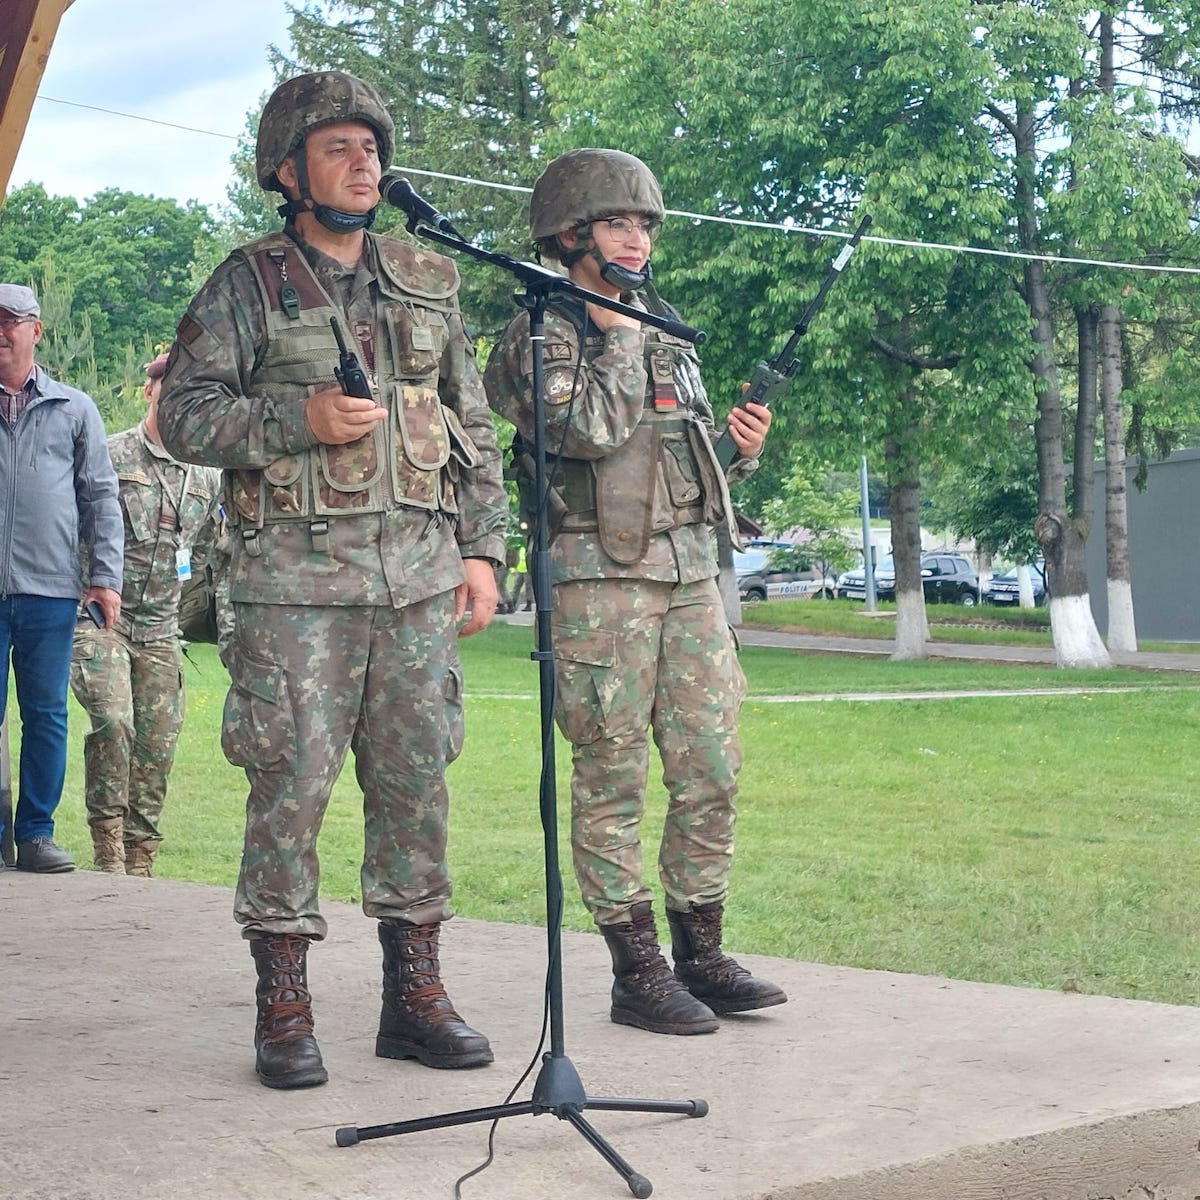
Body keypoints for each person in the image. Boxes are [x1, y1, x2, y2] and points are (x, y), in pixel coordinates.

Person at [157, 72, 508, 1090]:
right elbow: (183, 417)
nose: (364, 162)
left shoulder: (425, 278)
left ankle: (416, 997)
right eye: (337, 147)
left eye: (371, 146)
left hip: (414, 585)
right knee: (290, 793)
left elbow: (470, 425)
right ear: (287, 170)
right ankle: (284, 1004)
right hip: (291, 590)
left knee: (416, 789)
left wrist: (483, 552)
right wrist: (290, 422)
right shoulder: (245, 283)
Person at [483, 149, 787, 1036]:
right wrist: (615, 336)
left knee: (712, 768)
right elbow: (587, 430)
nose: (638, 239)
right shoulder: (538, 337)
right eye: (620, 223)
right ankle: (636, 967)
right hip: (600, 581)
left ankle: (702, 949)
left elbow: (669, 462)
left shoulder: (663, 328)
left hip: (691, 577)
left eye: (646, 225)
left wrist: (737, 448)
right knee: (612, 774)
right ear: (571, 234)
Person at [69, 351, 223, 877]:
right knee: (115, 723)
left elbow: (206, 553)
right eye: (166, 387)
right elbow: (71, 530)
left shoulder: (209, 475)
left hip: (162, 630)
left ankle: (141, 862)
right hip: (101, 621)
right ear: (150, 392)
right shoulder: (108, 456)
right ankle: (108, 849)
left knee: (158, 745)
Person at [0, 282, 123, 874]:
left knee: (46, 713)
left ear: (36, 330)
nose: (1, 331)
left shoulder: (74, 408)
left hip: (51, 590)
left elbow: (100, 496)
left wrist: (106, 577)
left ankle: (36, 834)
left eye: (12, 321)